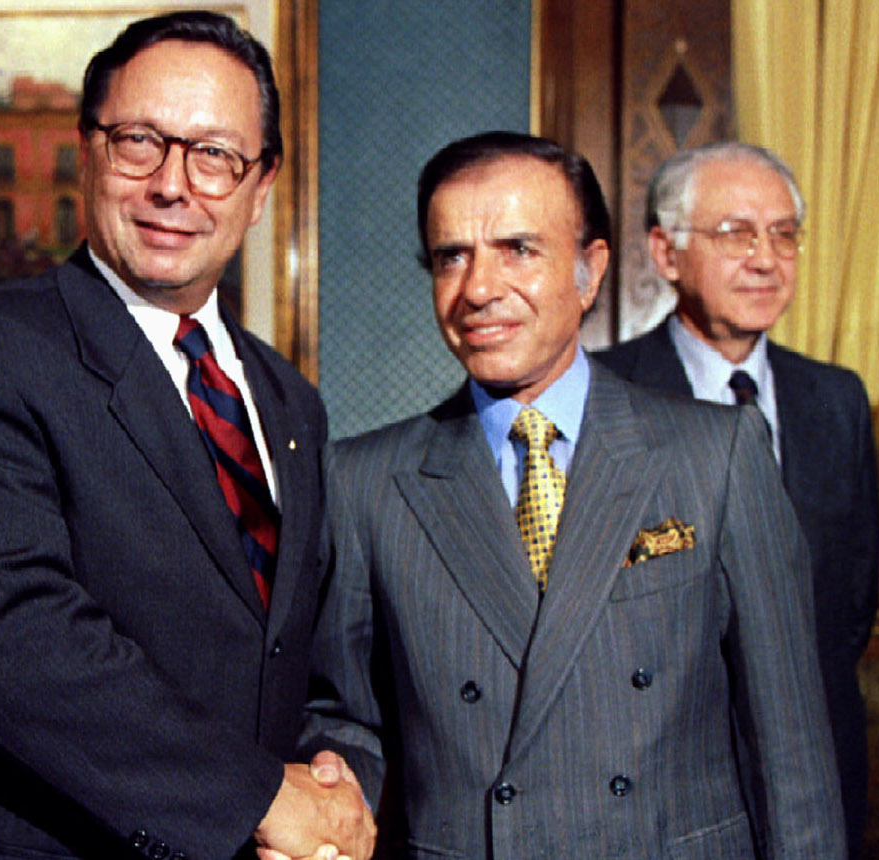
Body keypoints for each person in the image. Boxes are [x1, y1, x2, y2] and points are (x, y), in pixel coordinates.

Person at [0, 12, 373, 860]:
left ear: (260, 187)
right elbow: (19, 643)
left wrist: (337, 783)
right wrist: (257, 800)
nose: (174, 185)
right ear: (88, 151)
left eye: (215, 155)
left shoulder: (291, 404)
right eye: (140, 141)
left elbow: (307, 660)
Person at [303, 131, 845, 858]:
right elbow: (346, 716)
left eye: (518, 249)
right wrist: (334, 786)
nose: (479, 288)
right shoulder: (366, 480)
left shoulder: (716, 455)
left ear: (590, 272)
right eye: (451, 257)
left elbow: (792, 753)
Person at [595, 141, 879, 854]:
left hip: (814, 778)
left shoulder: (835, 398)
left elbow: (847, 607)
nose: (766, 258)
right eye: (735, 233)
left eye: (784, 234)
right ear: (665, 254)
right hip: (654, 785)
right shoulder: (601, 395)